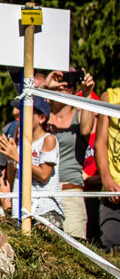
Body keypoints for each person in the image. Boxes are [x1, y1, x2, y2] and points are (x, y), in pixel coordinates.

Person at [45, 69, 95, 239]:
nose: (63, 88)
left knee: (76, 249)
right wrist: (45, 86)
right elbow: (23, 131)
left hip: (70, 192)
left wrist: (87, 95)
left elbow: (87, 129)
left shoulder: (79, 116)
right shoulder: (40, 118)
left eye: (68, 86)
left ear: (74, 91)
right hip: (43, 193)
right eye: (59, 86)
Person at [0, 96, 62, 229]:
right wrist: (10, 157)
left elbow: (44, 175)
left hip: (44, 210)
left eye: (26, 111)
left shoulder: (48, 140)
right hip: (21, 210)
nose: (20, 115)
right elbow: (11, 179)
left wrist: (16, 157)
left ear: (42, 118)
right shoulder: (21, 144)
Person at [94, 83, 120, 251]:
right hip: (113, 192)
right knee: (112, 249)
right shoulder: (110, 97)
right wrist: (106, 179)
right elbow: (100, 143)